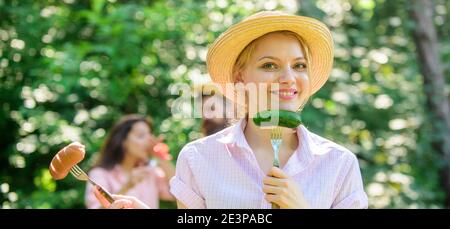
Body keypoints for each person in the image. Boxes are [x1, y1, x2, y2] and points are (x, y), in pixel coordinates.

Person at [98, 11, 368, 209]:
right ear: (240, 78)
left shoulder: (339, 165)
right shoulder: (198, 158)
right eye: (270, 65)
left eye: (299, 66)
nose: (289, 77)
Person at [85, 114, 175, 209]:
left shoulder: (150, 171)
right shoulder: (100, 174)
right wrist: (128, 185)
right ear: (122, 141)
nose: (149, 141)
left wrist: (160, 157)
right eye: (141, 136)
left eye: (150, 135)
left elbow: (176, 192)